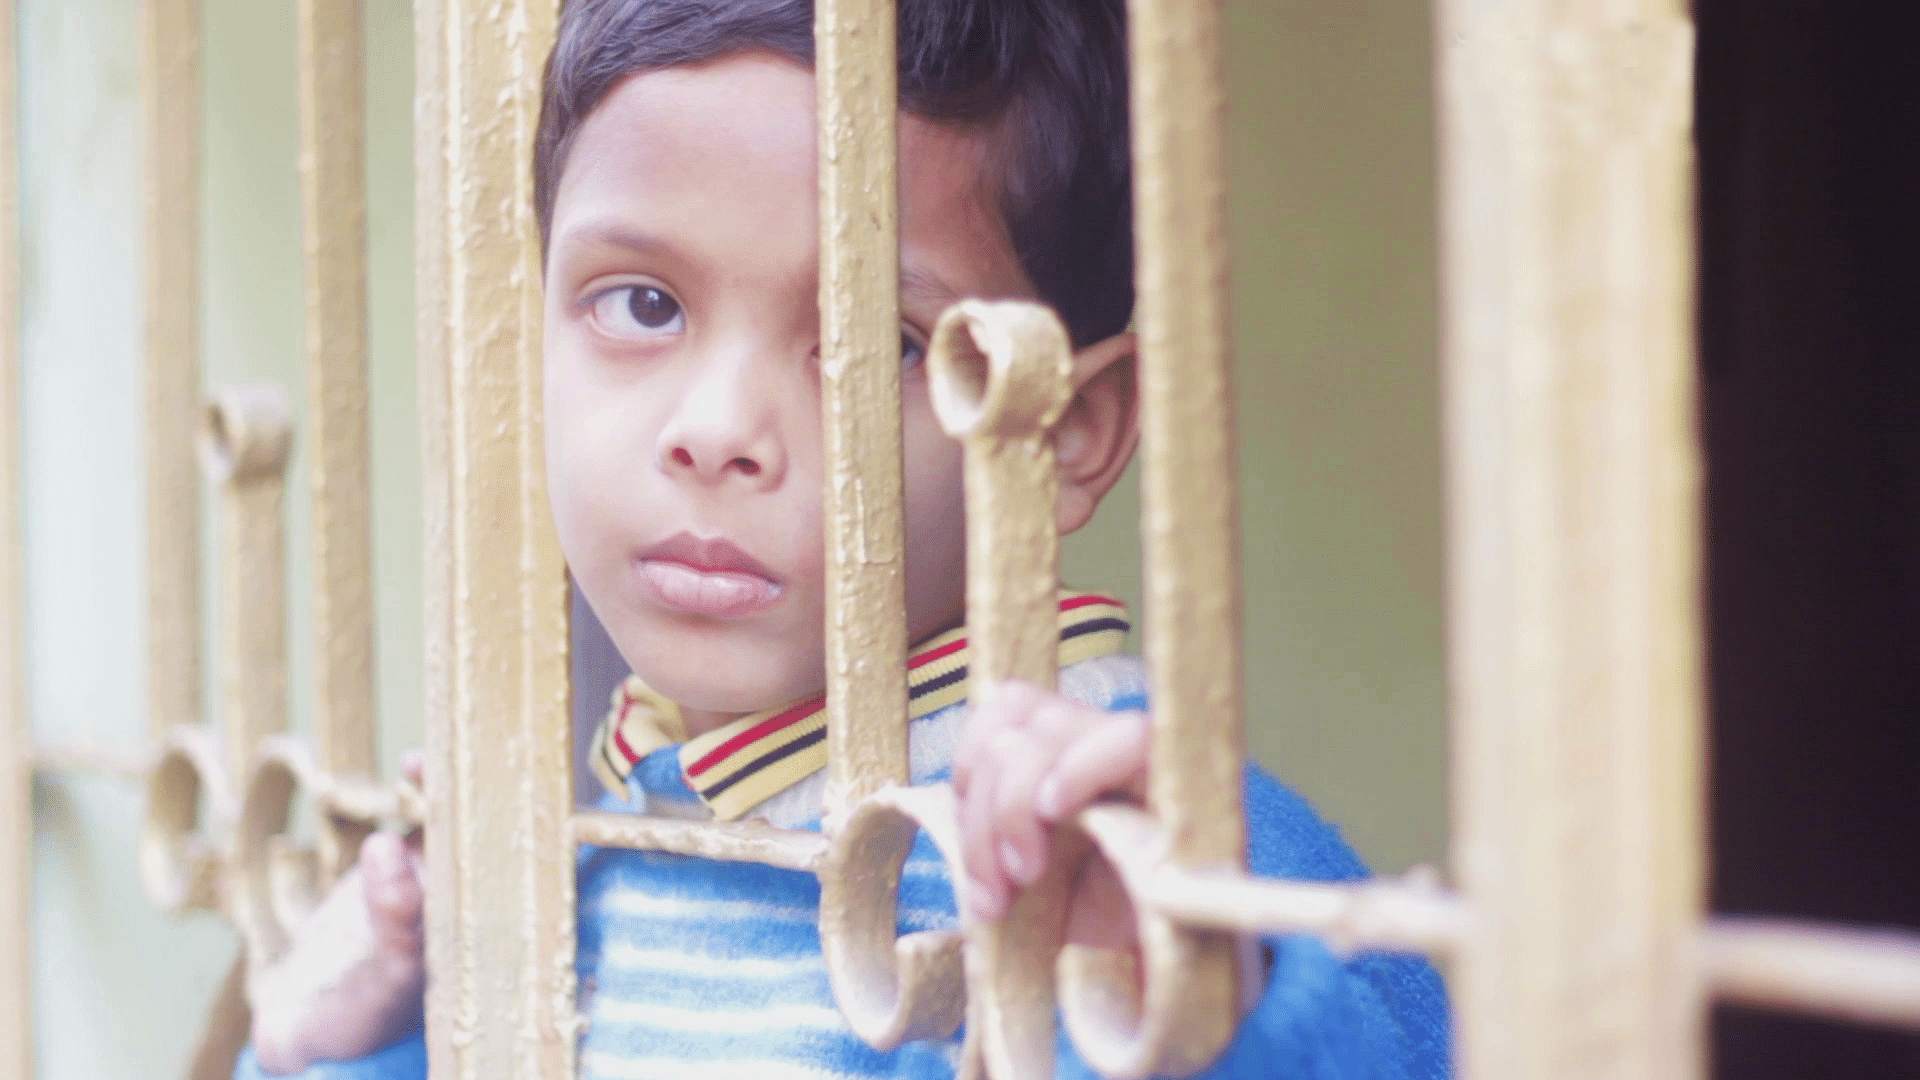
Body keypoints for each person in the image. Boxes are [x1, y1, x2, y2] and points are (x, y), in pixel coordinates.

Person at [237, 1, 1450, 1077]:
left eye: (877, 343)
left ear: (1064, 427)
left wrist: (1196, 1016)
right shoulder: (580, 829)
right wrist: (328, 1050)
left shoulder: (1143, 854)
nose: (716, 433)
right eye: (643, 304)